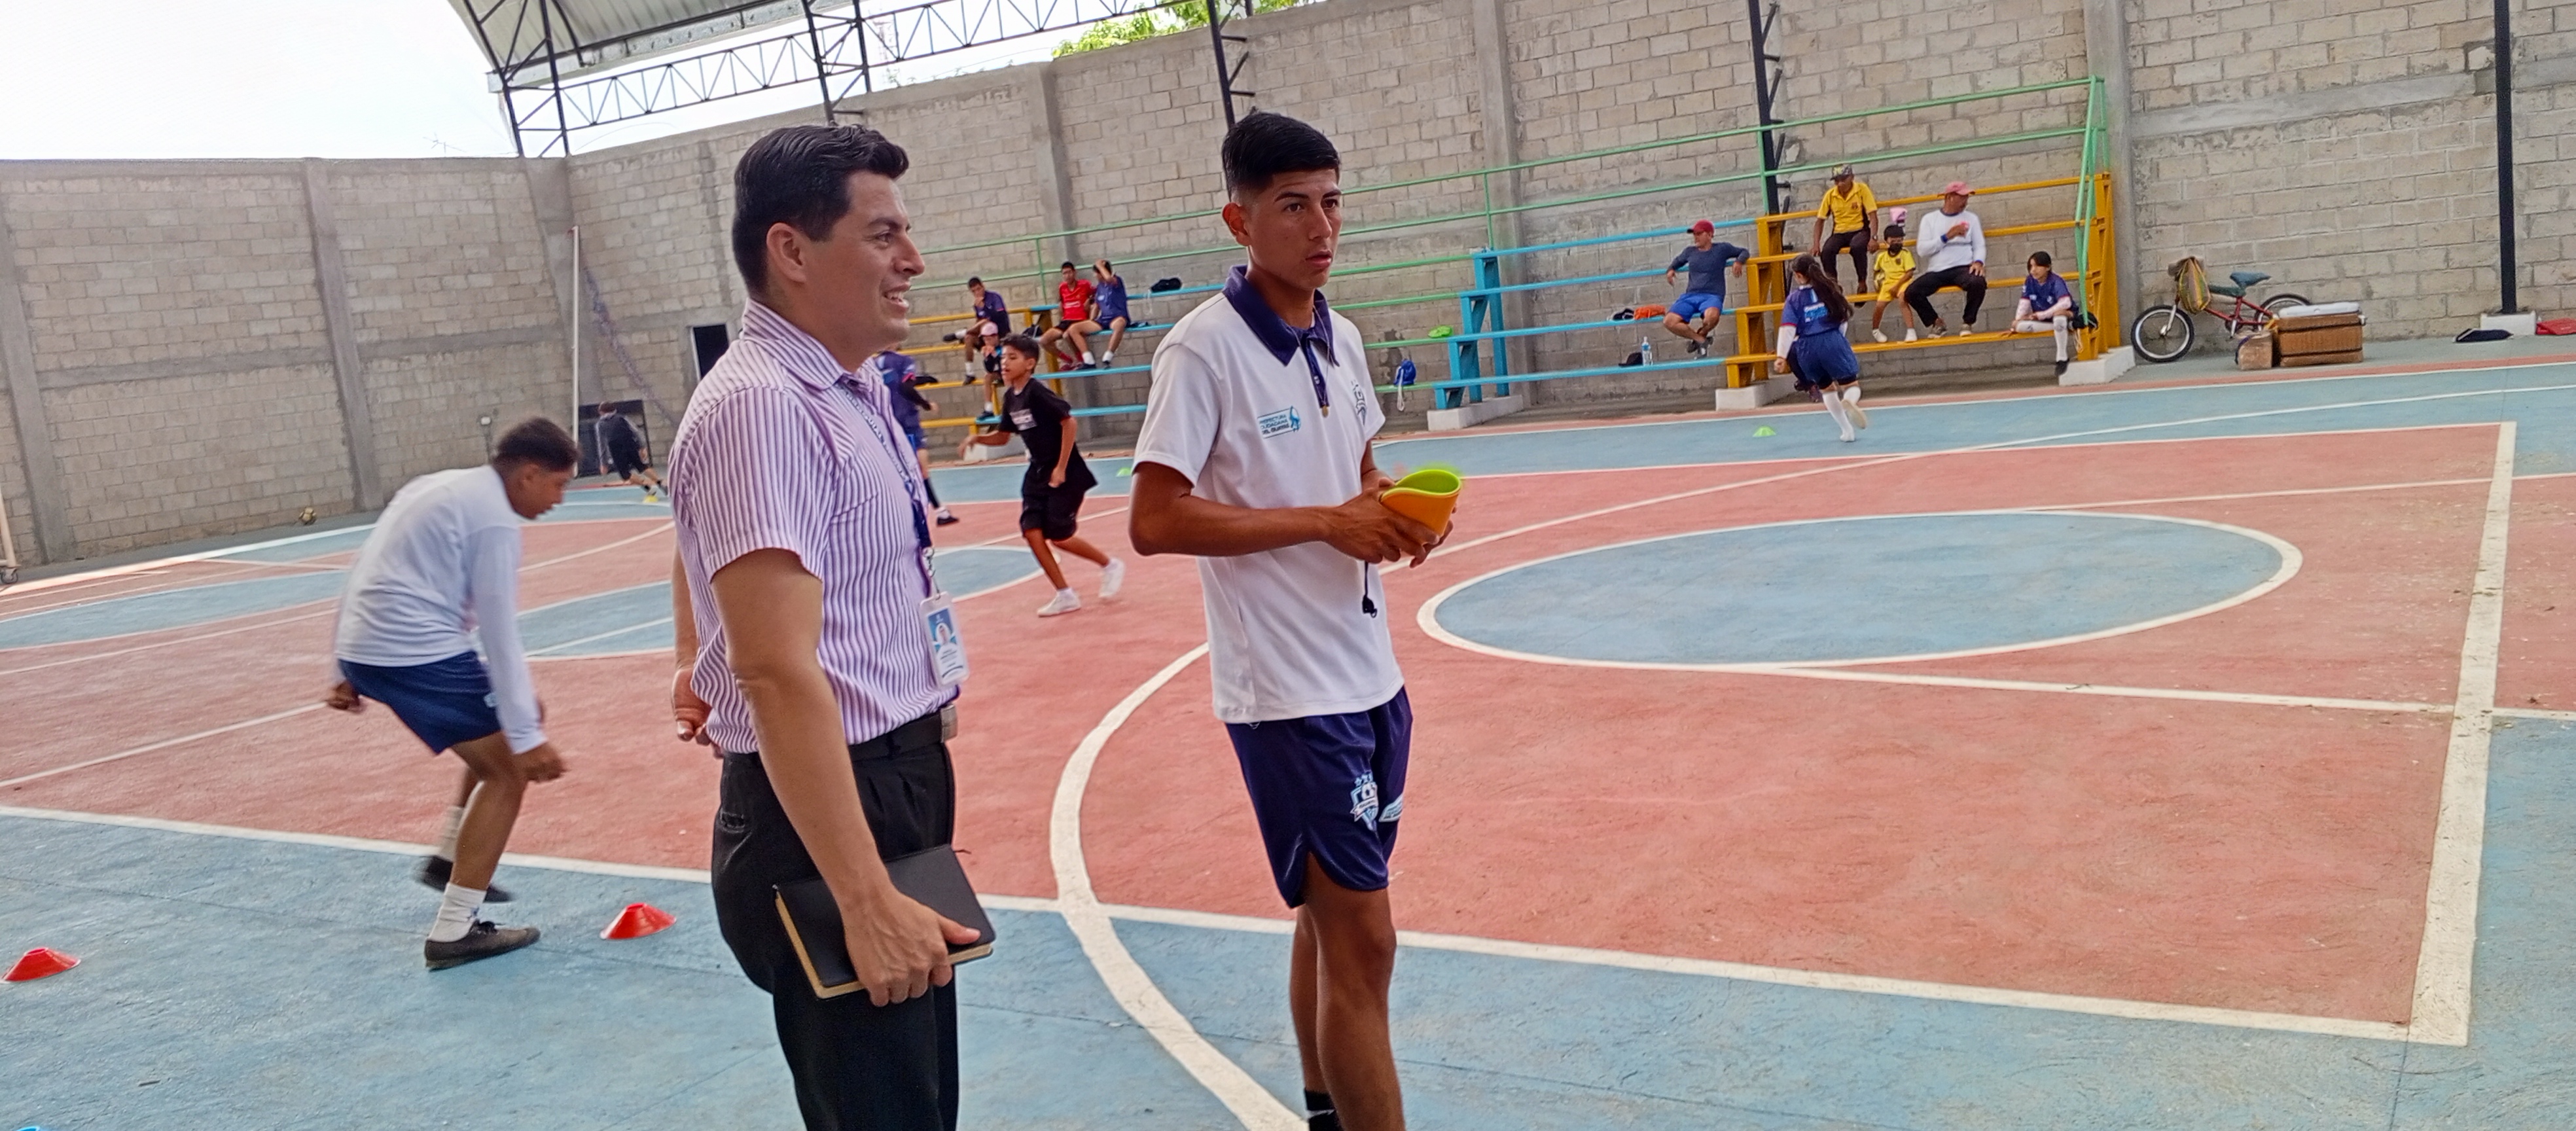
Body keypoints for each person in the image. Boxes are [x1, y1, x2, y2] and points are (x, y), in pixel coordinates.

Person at [666, 123, 984, 1131]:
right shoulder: (764, 406)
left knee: (914, 1099)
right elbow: (771, 668)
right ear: (791, 251)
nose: (913, 260)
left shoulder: (847, 387)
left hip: (889, 777)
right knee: (883, 1108)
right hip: (829, 805)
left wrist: (691, 655)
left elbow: (704, 540)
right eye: (882, 234)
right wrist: (863, 896)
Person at [1129, 111, 1442, 1131]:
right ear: (1241, 220)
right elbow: (1153, 520)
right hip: (1291, 697)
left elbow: (1357, 472)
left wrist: (1393, 515)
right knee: (1366, 942)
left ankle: (1321, 1110)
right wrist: (1325, 521)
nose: (1321, 226)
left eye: (1332, 202)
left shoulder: (1339, 336)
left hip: (1371, 675)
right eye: (1294, 205)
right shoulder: (1203, 351)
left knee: (1329, 921)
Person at [323, 417, 575, 969]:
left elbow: (363, 568)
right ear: (529, 474)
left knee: (521, 712)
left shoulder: (436, 486)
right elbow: (500, 633)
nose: (559, 499)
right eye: (558, 485)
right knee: (508, 771)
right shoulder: (494, 522)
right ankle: (455, 929)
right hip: (413, 651)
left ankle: (448, 856)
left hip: (373, 645)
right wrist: (527, 740)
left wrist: (342, 663)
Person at [961, 334, 1124, 616]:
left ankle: (1110, 565)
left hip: (1066, 473)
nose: (1004, 363)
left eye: (1012, 357)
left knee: (1059, 536)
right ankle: (1065, 594)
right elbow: (1003, 437)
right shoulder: (1010, 398)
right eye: (1003, 357)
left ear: (1030, 363)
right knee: (1032, 532)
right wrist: (977, 439)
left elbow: (1069, 423)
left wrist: (1060, 468)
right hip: (1036, 473)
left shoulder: (1037, 392)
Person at [1774, 253, 1867, 442]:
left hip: (1806, 348)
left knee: (1827, 389)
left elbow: (1787, 329)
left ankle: (1847, 431)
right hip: (1831, 340)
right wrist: (1838, 340)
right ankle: (1850, 401)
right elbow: (1843, 319)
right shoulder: (1831, 290)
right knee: (1851, 385)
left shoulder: (1794, 299)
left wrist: (1781, 356)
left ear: (1798, 276)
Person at [876, 348, 960, 526]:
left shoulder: (872, 364)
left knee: (898, 470)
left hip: (886, 422)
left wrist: (922, 379)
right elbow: (905, 387)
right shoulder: (903, 361)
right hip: (906, 421)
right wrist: (926, 404)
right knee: (920, 468)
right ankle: (937, 512)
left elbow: (893, 383)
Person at [1903, 181, 1988, 337]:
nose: (1965, 201)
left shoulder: (1972, 218)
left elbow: (1979, 245)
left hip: (1963, 267)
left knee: (1978, 282)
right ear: (1949, 197)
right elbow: (1922, 250)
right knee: (1912, 292)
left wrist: (1978, 262)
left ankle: (1968, 322)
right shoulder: (1930, 219)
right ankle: (1936, 322)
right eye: (1962, 197)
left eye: (1966, 197)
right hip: (1937, 270)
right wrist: (1947, 236)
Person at [1661, 219, 1750, 358]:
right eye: (1694, 234)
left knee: (1711, 318)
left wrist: (1739, 262)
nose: (1695, 237)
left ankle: (1702, 334)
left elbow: (1744, 251)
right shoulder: (1690, 251)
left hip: (1712, 295)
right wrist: (1671, 270)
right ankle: (1701, 340)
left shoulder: (1722, 249)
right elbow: (1677, 262)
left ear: (1709, 235)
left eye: (1699, 234)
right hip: (1691, 295)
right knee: (1669, 321)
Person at [1807, 164, 1878, 292]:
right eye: (1837, 181)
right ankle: (1833, 283)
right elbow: (1820, 221)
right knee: (1827, 250)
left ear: (1852, 177)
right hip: (1839, 232)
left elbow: (1873, 216)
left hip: (1860, 229)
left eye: (1843, 179)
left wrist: (1873, 238)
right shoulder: (1830, 195)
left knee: (1857, 247)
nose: (1840, 184)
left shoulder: (1861, 190)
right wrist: (1816, 244)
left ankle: (1862, 282)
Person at [2011, 250, 2077, 378]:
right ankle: (2061, 328)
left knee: (2059, 318)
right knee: (2019, 326)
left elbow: (2066, 302)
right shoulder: (2030, 281)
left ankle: (2062, 358)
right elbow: (2025, 302)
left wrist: (2043, 315)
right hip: (2043, 320)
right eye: (2031, 266)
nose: (2033, 270)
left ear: (2048, 267)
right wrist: (2018, 319)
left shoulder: (2056, 281)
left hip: (2059, 317)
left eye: (2037, 266)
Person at [594, 403, 664, 500]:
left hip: (616, 450)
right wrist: (642, 447)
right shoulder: (622, 418)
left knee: (625, 474)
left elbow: (601, 444)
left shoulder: (600, 424)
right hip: (630, 445)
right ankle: (660, 483)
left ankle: (649, 489)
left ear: (601, 412)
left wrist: (603, 463)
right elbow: (636, 431)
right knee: (641, 466)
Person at [1866, 221, 1918, 343]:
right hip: (1887, 283)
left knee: (1902, 299)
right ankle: (1875, 331)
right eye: (1893, 241)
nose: (1897, 243)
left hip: (1903, 281)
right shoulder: (1881, 257)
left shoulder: (1905, 254)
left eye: (1900, 240)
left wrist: (1897, 286)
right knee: (1879, 306)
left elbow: (1909, 273)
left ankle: (1911, 331)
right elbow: (1876, 272)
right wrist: (1877, 285)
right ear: (1886, 241)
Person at [1040, 261, 1098, 370]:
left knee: (1067, 335)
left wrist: (1090, 300)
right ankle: (1069, 361)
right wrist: (1061, 309)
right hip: (1066, 321)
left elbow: (1099, 292)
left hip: (1080, 320)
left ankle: (1081, 360)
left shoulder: (1084, 284)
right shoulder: (1062, 287)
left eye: (1069, 272)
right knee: (1044, 341)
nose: (1067, 276)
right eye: (1065, 273)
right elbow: (1062, 301)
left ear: (1074, 272)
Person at [952, 277, 1010, 381]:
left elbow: (1001, 317)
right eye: (974, 291)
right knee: (969, 338)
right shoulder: (977, 305)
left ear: (983, 286)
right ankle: (970, 372)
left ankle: (961, 333)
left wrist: (985, 308)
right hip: (986, 337)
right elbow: (979, 321)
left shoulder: (994, 297)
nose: (977, 293)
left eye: (978, 289)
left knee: (986, 321)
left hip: (999, 335)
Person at [1080, 259, 1134, 367]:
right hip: (1104, 319)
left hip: (1117, 317)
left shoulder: (1116, 281)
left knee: (1120, 324)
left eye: (1096, 273)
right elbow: (1096, 306)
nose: (1095, 276)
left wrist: (1099, 265)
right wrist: (1091, 321)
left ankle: (1108, 355)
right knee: (1074, 329)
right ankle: (1088, 360)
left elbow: (1109, 278)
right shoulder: (1100, 287)